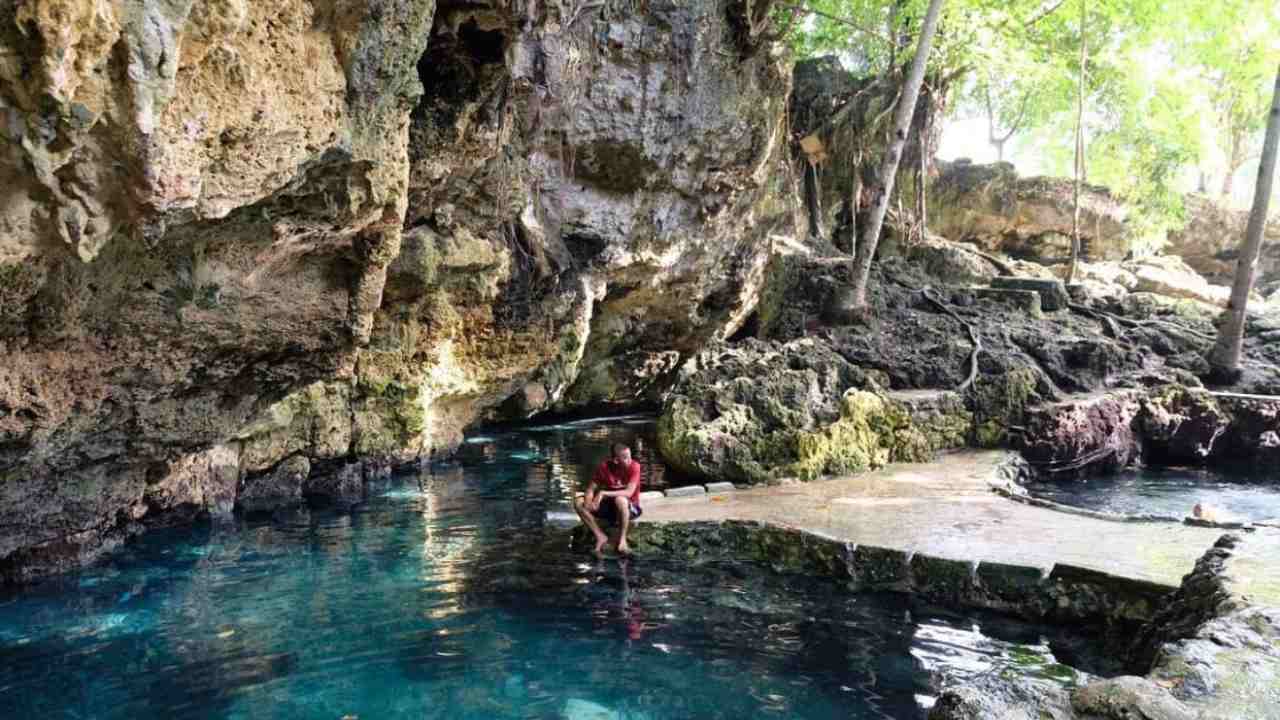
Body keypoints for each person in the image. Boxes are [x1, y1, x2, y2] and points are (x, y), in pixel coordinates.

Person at [574, 442, 642, 557]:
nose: (630, 460)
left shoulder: (635, 466)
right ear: (616, 460)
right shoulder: (604, 467)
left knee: (620, 499)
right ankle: (600, 536)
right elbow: (590, 489)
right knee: (578, 502)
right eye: (625, 458)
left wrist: (603, 493)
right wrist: (588, 503)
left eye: (630, 456)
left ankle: (622, 540)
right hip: (610, 508)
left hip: (630, 508)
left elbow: (629, 492)